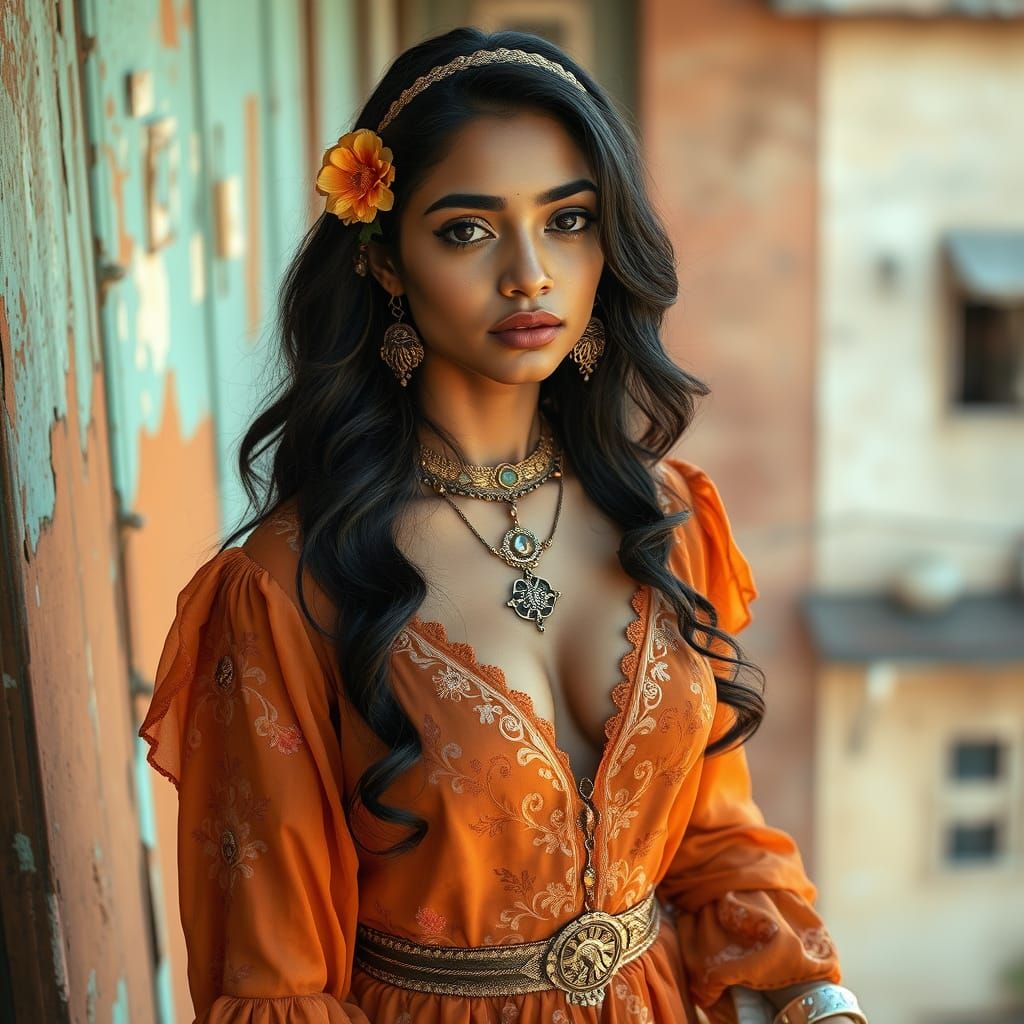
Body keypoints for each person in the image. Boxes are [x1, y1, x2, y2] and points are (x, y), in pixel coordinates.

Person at [138, 26, 869, 1024]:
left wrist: (811, 997)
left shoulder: (667, 519)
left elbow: (710, 836)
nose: (529, 274)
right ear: (386, 262)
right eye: (467, 230)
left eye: (567, 221)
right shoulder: (288, 585)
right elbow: (273, 975)